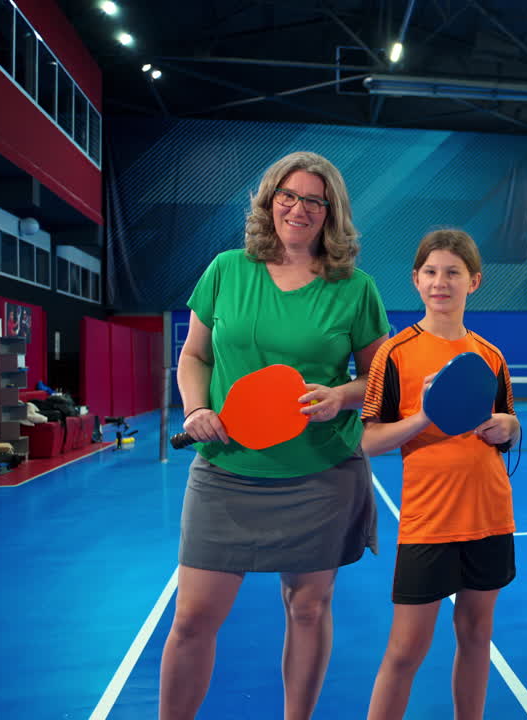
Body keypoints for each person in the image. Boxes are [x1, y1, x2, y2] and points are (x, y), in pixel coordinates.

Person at [161, 151, 391, 720]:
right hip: (224, 470)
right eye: (288, 195)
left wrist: (340, 396)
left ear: (331, 212)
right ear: (269, 202)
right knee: (192, 617)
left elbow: (382, 382)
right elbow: (193, 356)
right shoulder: (225, 270)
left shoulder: (355, 288)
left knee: (308, 609)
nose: (300, 207)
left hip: (320, 474)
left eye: (315, 199)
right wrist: (194, 411)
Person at [360, 229, 520, 720]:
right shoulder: (396, 353)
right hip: (429, 522)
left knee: (476, 636)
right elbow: (367, 441)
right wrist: (426, 415)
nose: (440, 282)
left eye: (453, 272)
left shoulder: (490, 356)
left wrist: (509, 427)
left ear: (474, 281)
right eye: (430, 271)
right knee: (406, 649)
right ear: (415, 279)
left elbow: (507, 425)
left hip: (490, 516)